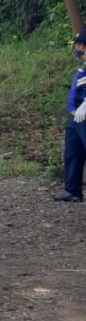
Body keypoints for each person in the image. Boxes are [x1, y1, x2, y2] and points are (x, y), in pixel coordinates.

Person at [56, 32, 86, 201]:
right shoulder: (83, 66)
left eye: (78, 44)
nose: (76, 48)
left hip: (85, 116)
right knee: (73, 153)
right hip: (74, 116)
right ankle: (72, 190)